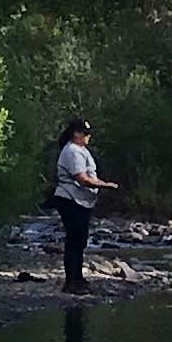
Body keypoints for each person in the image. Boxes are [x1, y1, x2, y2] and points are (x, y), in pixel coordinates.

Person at [50, 116, 113, 293]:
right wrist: (105, 185)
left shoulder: (80, 150)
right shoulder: (72, 151)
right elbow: (82, 178)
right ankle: (71, 282)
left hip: (80, 201)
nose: (88, 136)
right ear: (76, 134)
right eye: (85, 133)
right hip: (71, 200)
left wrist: (101, 184)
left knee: (80, 241)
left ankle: (78, 278)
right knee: (74, 241)